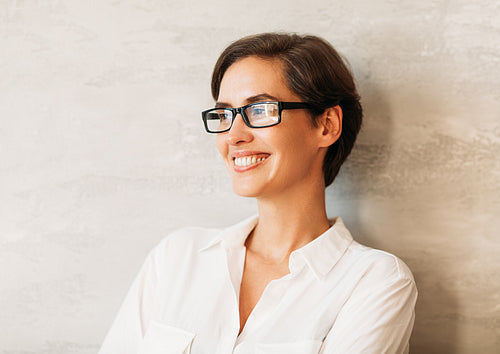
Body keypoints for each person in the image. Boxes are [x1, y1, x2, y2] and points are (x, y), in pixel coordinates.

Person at [99, 32, 417, 354]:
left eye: (260, 110)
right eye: (224, 114)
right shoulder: (175, 258)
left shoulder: (375, 283)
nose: (233, 136)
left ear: (326, 124)